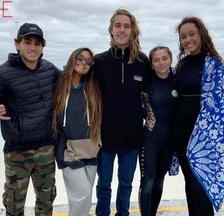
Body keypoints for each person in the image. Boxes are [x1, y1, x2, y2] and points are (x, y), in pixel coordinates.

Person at [0, 23, 60, 216]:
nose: (33, 47)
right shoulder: (2, 74)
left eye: (37, 43)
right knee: (14, 204)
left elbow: (71, 86)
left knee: (46, 202)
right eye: (27, 42)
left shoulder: (49, 69)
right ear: (17, 44)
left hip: (46, 148)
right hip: (17, 151)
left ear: (42, 47)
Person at [94, 8, 151, 216]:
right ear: (111, 30)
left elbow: (155, 94)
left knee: (126, 183)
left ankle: (123, 213)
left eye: (126, 26)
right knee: (104, 184)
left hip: (132, 137)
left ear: (132, 30)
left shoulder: (143, 62)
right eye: (117, 25)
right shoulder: (99, 61)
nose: (122, 30)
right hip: (104, 137)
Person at [172, 16, 224, 215]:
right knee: (189, 184)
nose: (187, 40)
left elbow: (220, 104)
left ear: (201, 34)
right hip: (181, 133)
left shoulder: (214, 64)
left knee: (200, 184)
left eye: (191, 34)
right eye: (183, 36)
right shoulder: (182, 64)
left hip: (203, 136)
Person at [52, 47, 102, 216]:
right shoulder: (58, 83)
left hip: (91, 148)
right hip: (68, 150)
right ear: (73, 57)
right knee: (82, 195)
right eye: (81, 58)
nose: (84, 62)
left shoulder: (92, 87)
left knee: (85, 197)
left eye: (89, 61)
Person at [139, 46, 178, 216]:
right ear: (152, 64)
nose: (161, 63)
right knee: (147, 182)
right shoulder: (146, 83)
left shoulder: (178, 80)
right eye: (156, 60)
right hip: (150, 139)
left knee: (159, 181)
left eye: (164, 58)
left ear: (170, 59)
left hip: (170, 141)